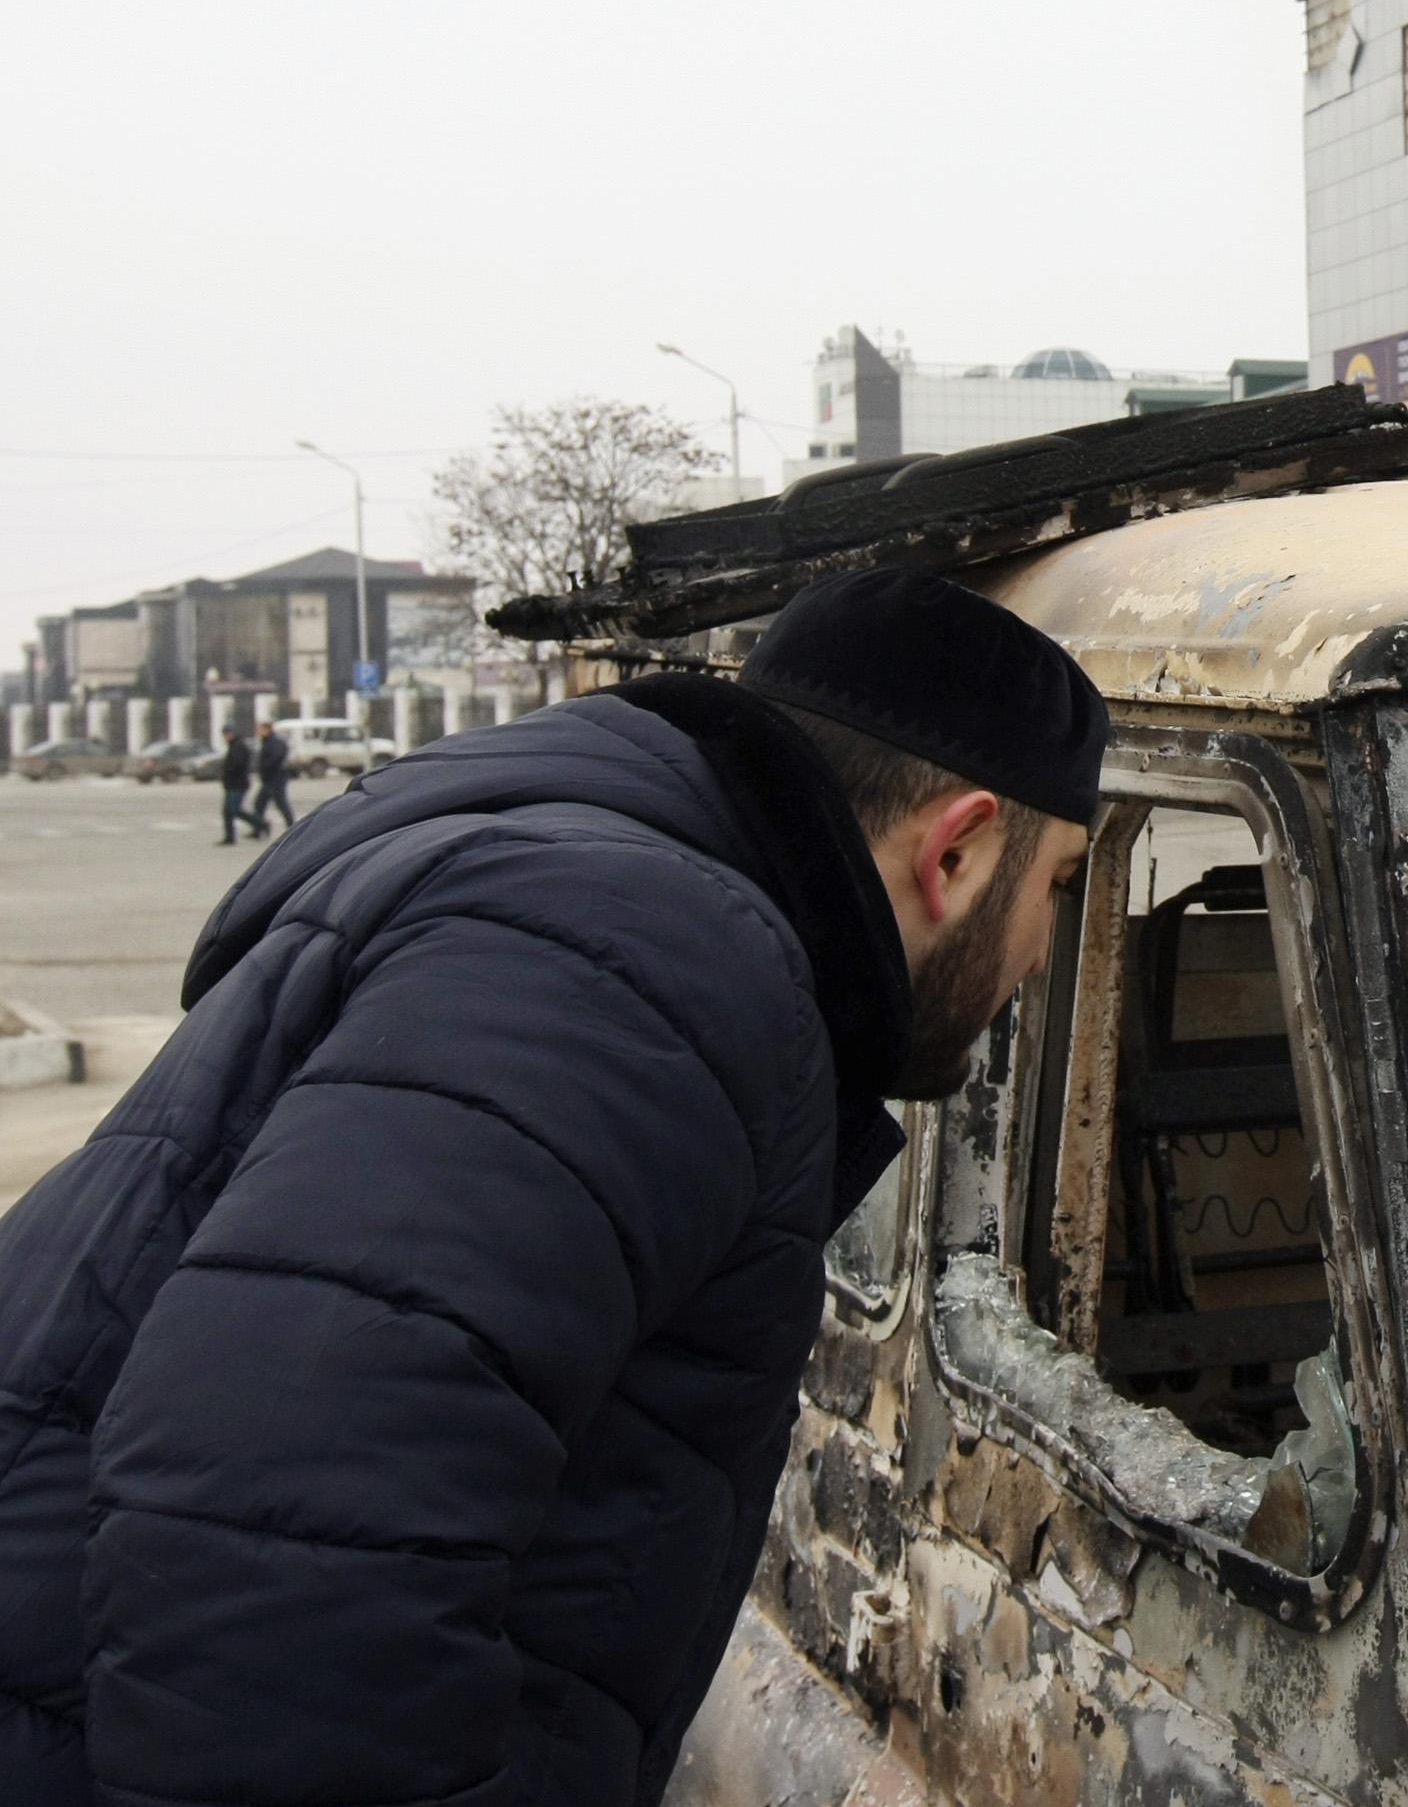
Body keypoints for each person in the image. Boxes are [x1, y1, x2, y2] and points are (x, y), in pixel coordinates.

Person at [0, 567, 1107, 1806]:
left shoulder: (611, 914)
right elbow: (279, 1552)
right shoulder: (643, 965)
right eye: (1059, 886)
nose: (1046, 948)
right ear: (957, 848)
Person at [246, 718, 297, 836]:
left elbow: (276, 757)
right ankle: (258, 829)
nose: (259, 732)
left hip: (276, 778)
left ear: (268, 729)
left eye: (261, 730)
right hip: (270, 779)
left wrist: (265, 766)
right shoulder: (268, 741)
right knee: (260, 804)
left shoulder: (274, 742)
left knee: (281, 803)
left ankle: (292, 828)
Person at [210, 726, 256, 844]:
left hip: (238, 784)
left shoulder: (238, 746)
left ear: (232, 734)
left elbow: (237, 765)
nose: (225, 737)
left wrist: (227, 771)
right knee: (228, 811)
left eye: (227, 734)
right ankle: (230, 837)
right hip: (232, 784)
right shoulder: (233, 746)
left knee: (234, 810)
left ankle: (260, 823)